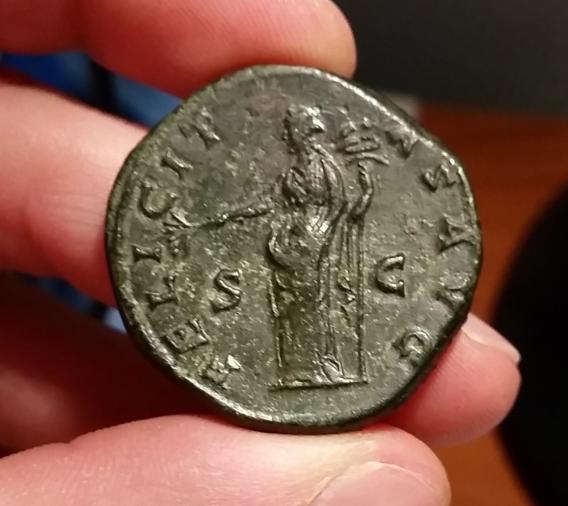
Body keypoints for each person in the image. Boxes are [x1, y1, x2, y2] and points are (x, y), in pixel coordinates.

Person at [0, 1, 521, 504]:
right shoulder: (312, 166)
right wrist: (216, 222)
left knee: (307, 317)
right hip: (296, 250)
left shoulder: (319, 166)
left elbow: (333, 206)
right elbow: (278, 204)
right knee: (298, 318)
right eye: (294, 132)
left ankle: (316, 370)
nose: (293, 137)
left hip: (305, 251)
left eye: (296, 131)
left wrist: (311, 222)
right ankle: (309, 369)